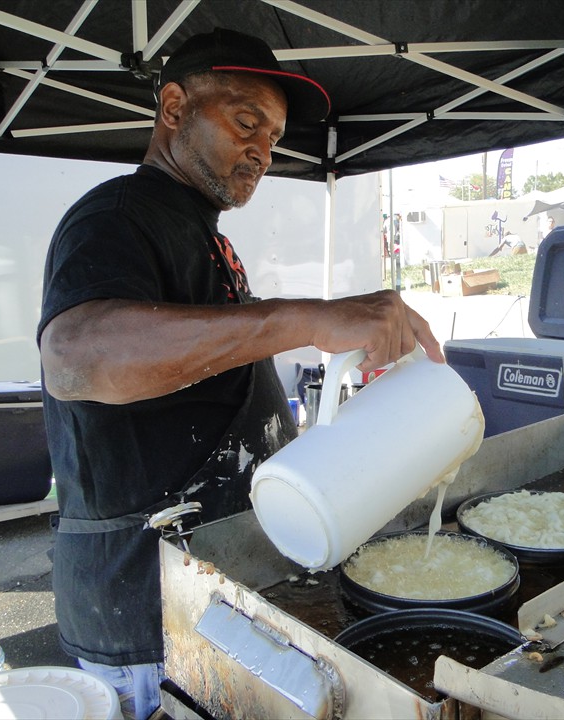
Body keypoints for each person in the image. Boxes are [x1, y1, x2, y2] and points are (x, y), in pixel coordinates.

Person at [36, 28, 442, 720]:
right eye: (246, 120)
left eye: (274, 136)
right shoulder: (118, 215)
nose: (262, 149)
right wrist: (306, 319)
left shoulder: (201, 232)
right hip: (145, 607)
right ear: (173, 107)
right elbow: (76, 358)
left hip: (211, 589)